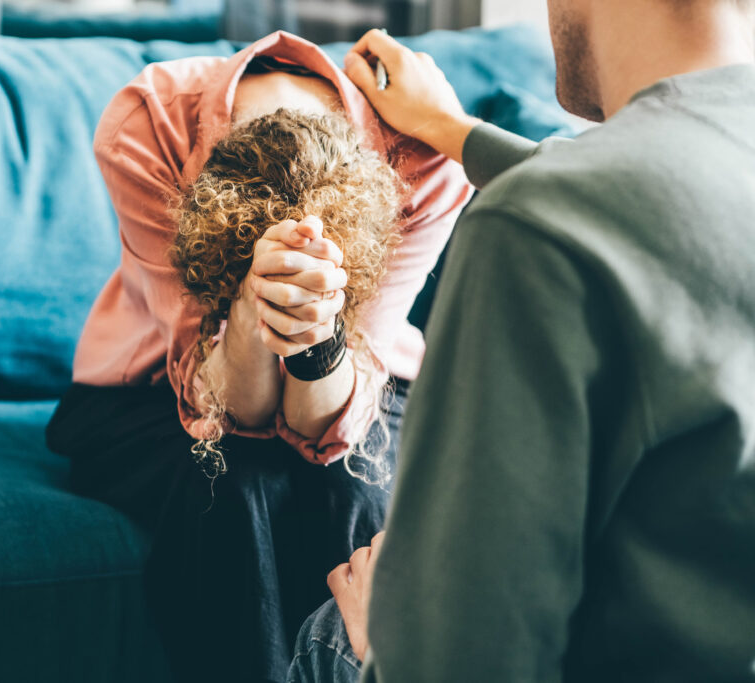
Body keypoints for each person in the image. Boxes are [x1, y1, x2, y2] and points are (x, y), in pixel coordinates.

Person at [288, 0, 755, 681]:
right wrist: (453, 131)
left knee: (332, 635)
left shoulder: (540, 231)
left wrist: (380, 649)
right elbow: (667, 208)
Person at [44, 30, 472, 683]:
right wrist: (248, 307)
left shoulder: (423, 157)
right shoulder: (149, 125)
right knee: (232, 484)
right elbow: (232, 411)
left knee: (352, 482)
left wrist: (319, 337)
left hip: (364, 387)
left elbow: (321, 429)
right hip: (160, 388)